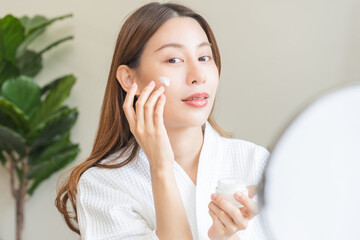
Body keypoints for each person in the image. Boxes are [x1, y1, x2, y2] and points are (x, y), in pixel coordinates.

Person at [55, 2, 270, 240]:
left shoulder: (257, 164)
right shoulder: (103, 185)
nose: (198, 76)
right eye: (173, 60)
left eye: (204, 57)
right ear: (129, 78)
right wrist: (161, 167)